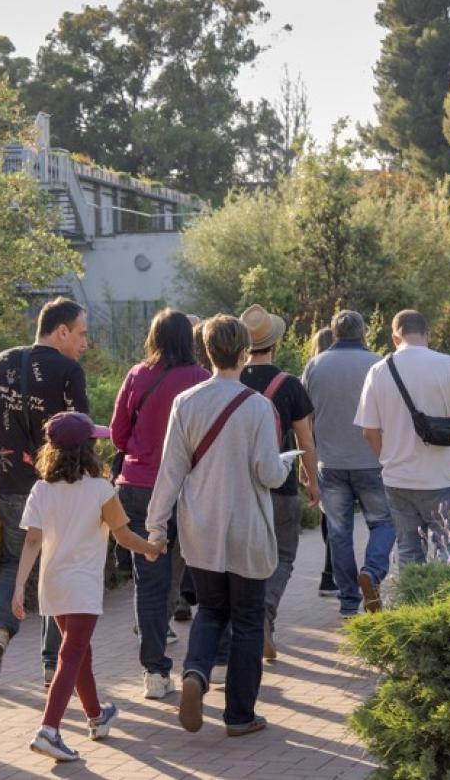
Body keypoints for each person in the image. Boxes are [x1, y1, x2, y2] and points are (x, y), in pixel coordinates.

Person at [147, 315, 290, 738]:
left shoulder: (186, 402)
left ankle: (195, 673)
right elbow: (267, 471)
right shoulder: (258, 406)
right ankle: (240, 715)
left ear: (207, 352)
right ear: (245, 353)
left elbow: (170, 470)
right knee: (247, 618)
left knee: (210, 609)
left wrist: (156, 526)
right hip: (246, 527)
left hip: (200, 527)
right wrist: (284, 467)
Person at [12, 412, 164, 762]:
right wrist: (152, 549)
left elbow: (33, 541)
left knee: (78, 651)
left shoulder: (41, 489)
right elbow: (124, 536)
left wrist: (19, 587)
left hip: (52, 585)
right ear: (87, 449)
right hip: (81, 584)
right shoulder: (100, 489)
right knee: (72, 654)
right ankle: (49, 730)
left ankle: (96, 715)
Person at [0, 297, 90, 685]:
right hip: (56, 484)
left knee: (14, 563)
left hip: (9, 482)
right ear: (61, 331)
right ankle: (50, 665)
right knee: (55, 567)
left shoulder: (2, 361)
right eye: (80, 333)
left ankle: (0, 631)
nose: (84, 343)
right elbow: (82, 429)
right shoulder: (68, 370)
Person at [110, 309, 209, 699]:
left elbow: (118, 435)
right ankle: (206, 661)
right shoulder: (201, 380)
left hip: (135, 486)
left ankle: (153, 671)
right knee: (183, 574)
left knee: (147, 581)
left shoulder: (137, 375)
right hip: (184, 490)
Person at [355, 311, 450, 568]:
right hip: (444, 477)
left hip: (398, 480)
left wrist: (388, 460)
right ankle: (446, 605)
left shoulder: (378, 371)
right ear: (427, 334)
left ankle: (413, 605)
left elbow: (369, 431)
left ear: (395, 337)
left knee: (408, 552)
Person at [230, 304, 318, 662]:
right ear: (275, 344)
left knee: (242, 561)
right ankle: (265, 611)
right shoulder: (289, 385)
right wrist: (312, 480)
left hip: (238, 488)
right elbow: (305, 441)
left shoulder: (230, 383)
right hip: (279, 484)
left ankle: (246, 626)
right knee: (282, 555)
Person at [302, 311, 395, 617]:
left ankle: (348, 601)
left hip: (329, 463)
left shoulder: (314, 366)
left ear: (335, 333)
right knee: (383, 522)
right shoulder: (378, 363)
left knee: (339, 533)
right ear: (364, 332)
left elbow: (305, 419)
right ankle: (372, 572)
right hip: (373, 459)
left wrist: (307, 466)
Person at [307, 327, 337, 598]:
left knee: (328, 516)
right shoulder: (339, 370)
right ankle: (334, 573)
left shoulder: (311, 372)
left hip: (319, 453)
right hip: (348, 454)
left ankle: (329, 573)